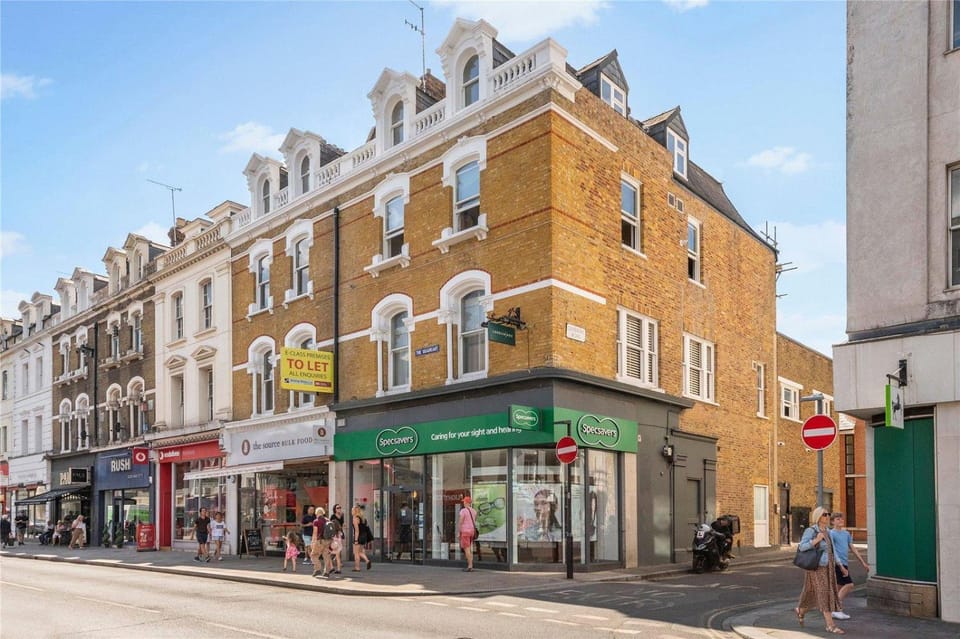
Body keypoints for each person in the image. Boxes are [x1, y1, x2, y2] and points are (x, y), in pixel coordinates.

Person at [794, 507, 844, 634]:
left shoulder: (828, 531)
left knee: (813, 594)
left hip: (829, 567)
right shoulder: (811, 530)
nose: (827, 517)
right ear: (818, 517)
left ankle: (801, 610)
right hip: (817, 568)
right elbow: (802, 547)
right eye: (824, 515)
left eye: (828, 514)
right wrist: (816, 540)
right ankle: (830, 625)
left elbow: (832, 551)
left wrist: (840, 565)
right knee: (824, 594)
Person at [829, 512, 868, 620]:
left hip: (845, 563)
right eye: (837, 519)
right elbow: (831, 550)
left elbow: (853, 549)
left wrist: (863, 562)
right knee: (849, 585)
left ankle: (832, 609)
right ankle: (837, 609)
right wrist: (839, 564)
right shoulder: (831, 534)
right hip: (837, 564)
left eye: (841, 519)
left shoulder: (846, 534)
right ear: (832, 522)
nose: (840, 521)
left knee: (839, 587)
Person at [310, 506, 332, 578]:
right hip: (328, 540)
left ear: (317, 513)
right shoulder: (327, 520)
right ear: (322, 513)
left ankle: (318, 569)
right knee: (326, 556)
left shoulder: (316, 521)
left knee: (313, 555)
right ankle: (327, 572)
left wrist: (313, 542)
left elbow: (315, 533)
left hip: (320, 541)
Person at [458, 495, 477, 572]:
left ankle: (470, 566)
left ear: (466, 502)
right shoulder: (474, 511)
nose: (463, 503)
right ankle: (470, 564)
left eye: (464, 502)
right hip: (472, 531)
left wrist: (459, 532)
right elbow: (474, 520)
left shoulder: (463, 511)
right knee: (469, 548)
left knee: (467, 549)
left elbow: (461, 522)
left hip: (465, 532)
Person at [351, 504, 372, 572]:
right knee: (360, 552)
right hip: (364, 536)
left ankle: (357, 567)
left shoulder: (355, 518)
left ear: (355, 511)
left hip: (359, 536)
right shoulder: (363, 518)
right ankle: (367, 561)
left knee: (356, 553)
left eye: (352, 510)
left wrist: (356, 540)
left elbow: (357, 530)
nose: (351, 511)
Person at [329, 504, 345, 574]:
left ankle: (333, 567)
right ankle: (337, 568)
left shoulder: (342, 515)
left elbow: (342, 524)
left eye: (340, 507)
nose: (339, 509)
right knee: (336, 554)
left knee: (330, 554)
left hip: (338, 533)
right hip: (337, 534)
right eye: (337, 508)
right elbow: (331, 524)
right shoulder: (333, 516)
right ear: (335, 509)